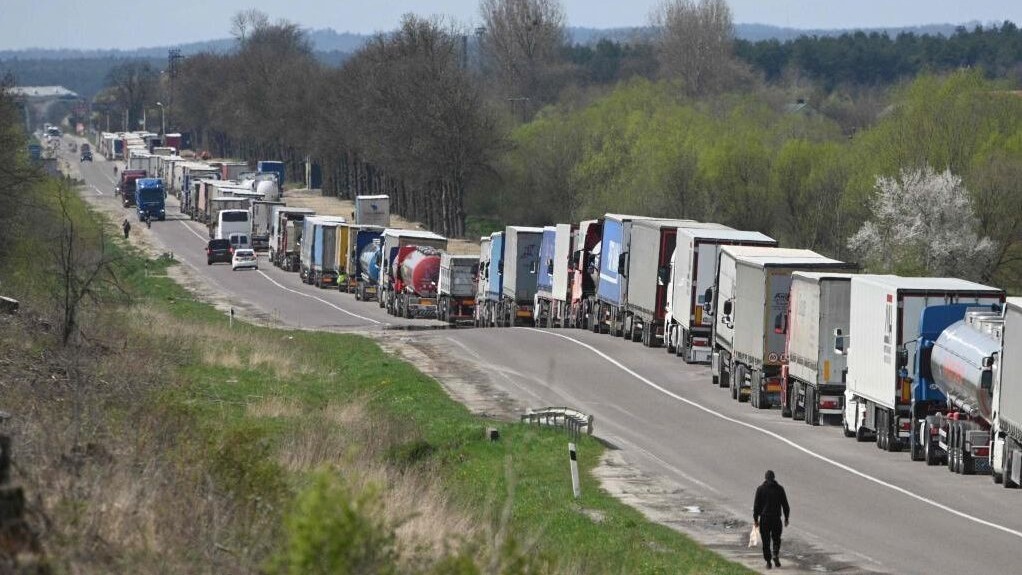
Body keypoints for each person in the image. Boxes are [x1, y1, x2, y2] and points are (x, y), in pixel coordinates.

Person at [753, 469, 790, 570]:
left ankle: (768, 562)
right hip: (776, 518)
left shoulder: (760, 489)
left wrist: (756, 519)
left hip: (764, 519)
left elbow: (756, 506)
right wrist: (786, 518)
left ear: (765, 478)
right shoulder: (780, 489)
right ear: (774, 478)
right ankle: (775, 553)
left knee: (766, 541)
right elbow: (785, 505)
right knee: (776, 538)